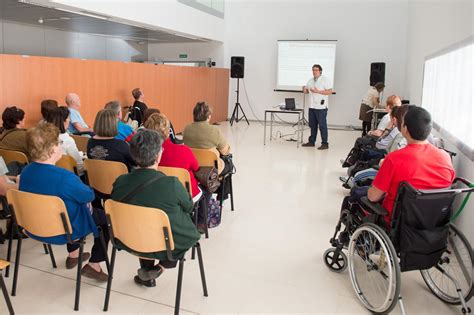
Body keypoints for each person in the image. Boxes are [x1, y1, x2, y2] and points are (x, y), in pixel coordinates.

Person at [19, 123, 109, 281]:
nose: (60, 145)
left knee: (69, 206)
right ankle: (94, 264)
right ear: (53, 150)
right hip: (65, 231)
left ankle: (73, 254)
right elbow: (88, 196)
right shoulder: (65, 177)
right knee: (106, 221)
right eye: (59, 142)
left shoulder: (25, 172)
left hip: (36, 226)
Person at [110, 129, 200, 287]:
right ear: (159, 155)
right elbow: (189, 206)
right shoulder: (171, 184)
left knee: (142, 221)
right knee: (177, 231)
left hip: (130, 238)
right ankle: (161, 266)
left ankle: (148, 270)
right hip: (165, 244)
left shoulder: (120, 182)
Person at [367, 106, 455, 223]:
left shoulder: (394, 159)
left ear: (405, 129)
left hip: (398, 222)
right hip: (433, 221)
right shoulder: (445, 157)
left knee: (357, 196)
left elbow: (373, 197)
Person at [144, 113, 202, 202]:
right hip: (186, 195)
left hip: (157, 194)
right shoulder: (184, 151)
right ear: (168, 131)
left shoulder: (143, 154)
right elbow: (196, 167)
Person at [183, 101, 231, 175]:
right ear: (209, 116)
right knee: (229, 163)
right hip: (211, 169)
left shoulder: (186, 129)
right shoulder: (214, 130)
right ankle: (219, 185)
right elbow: (225, 151)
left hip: (192, 166)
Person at [302, 64, 333, 150]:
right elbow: (307, 92)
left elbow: (330, 92)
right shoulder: (310, 80)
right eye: (313, 70)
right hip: (312, 106)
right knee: (312, 125)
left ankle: (325, 143)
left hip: (321, 107)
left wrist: (318, 91)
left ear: (320, 71)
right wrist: (304, 89)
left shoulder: (325, 80)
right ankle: (312, 142)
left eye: (316, 70)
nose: (314, 71)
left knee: (322, 125)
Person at [46, 106, 84, 173]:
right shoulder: (67, 140)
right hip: (67, 176)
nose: (69, 120)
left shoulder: (41, 138)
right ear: (64, 121)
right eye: (69, 118)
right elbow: (79, 165)